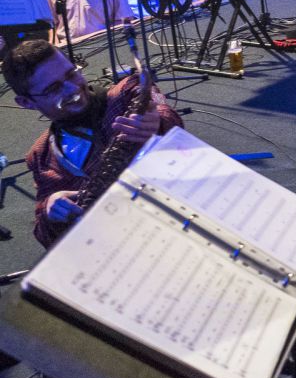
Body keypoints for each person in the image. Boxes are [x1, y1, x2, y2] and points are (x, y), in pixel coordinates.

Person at [4, 39, 182, 247]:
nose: (72, 89)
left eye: (72, 74)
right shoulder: (41, 155)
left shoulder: (126, 94)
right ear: (26, 102)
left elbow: (161, 108)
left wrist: (158, 121)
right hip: (116, 247)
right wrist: (50, 209)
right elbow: (45, 235)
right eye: (53, 88)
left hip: (174, 221)